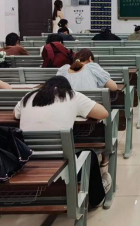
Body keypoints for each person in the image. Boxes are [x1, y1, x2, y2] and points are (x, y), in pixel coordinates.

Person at [14, 76, 111, 208]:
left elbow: (16, 114)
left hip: (26, 161)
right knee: (90, 155)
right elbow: (103, 113)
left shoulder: (28, 96)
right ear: (67, 88)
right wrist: (76, 112)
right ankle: (97, 199)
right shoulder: (72, 96)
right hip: (61, 165)